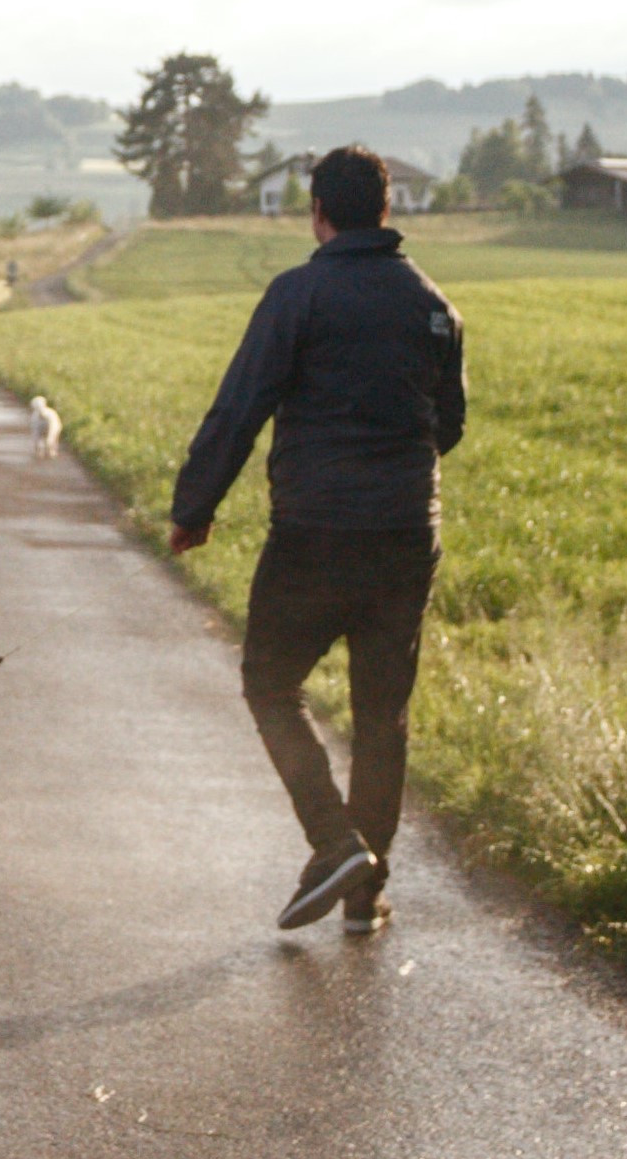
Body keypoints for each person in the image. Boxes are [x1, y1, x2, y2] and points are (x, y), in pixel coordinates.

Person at [169, 145, 464, 932]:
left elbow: (241, 407)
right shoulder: (435, 305)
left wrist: (194, 507)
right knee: (381, 717)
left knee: (270, 683)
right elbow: (451, 427)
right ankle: (365, 896)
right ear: (387, 210)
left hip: (315, 533)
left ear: (319, 213)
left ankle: (335, 842)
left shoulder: (299, 294)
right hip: (407, 535)